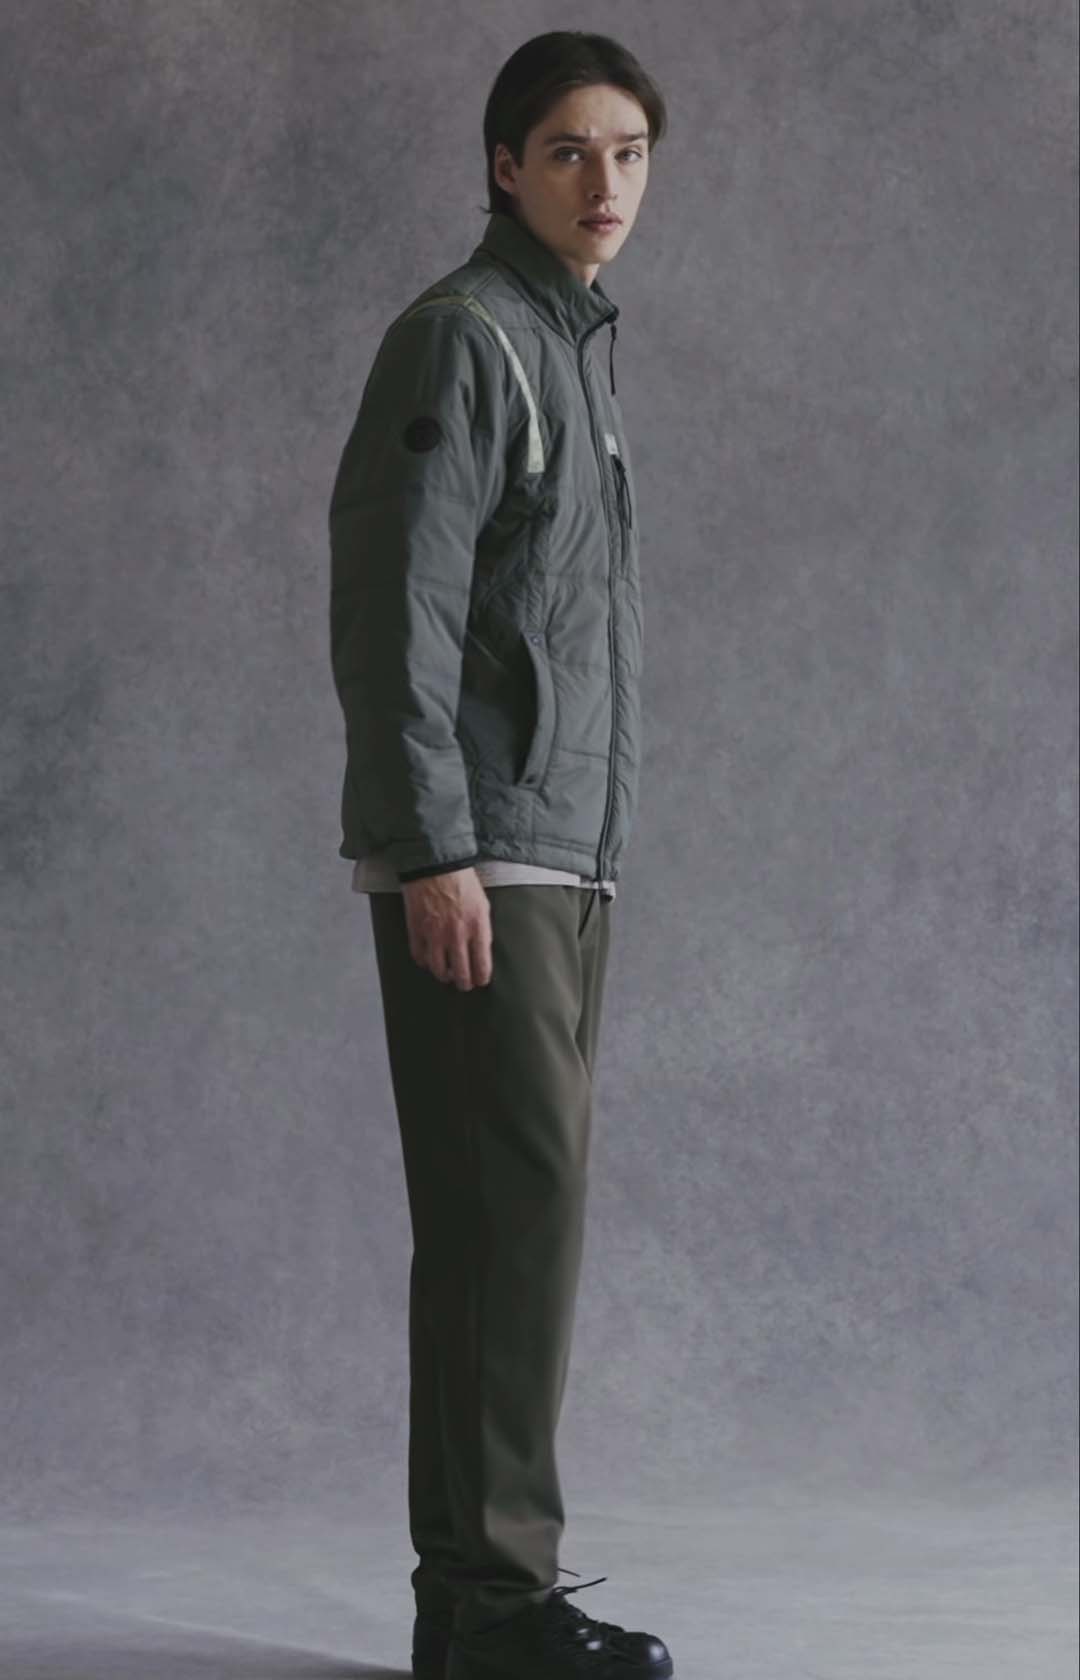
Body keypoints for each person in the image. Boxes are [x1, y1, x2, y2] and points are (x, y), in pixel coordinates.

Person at [328, 30, 673, 1680]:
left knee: (517, 1220)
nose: (604, 183)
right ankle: (491, 1607)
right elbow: (394, 608)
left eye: (629, 153)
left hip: (561, 855)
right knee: (506, 1219)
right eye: (568, 151)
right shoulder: (464, 339)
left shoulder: (570, 350)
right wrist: (431, 851)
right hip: (487, 855)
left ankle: (480, 1610)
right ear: (502, 166)